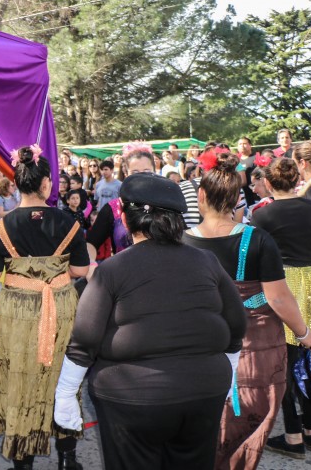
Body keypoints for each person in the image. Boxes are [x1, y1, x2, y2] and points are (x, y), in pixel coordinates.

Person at [55, 173, 247, 470]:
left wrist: (65, 393)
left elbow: (84, 340)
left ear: (124, 217)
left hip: (131, 400)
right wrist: (229, 369)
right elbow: (236, 323)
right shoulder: (207, 261)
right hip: (203, 390)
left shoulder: (112, 270)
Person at [183, 152, 311, 469]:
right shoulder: (257, 240)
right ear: (237, 198)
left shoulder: (182, 242)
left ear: (201, 195)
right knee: (247, 422)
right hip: (254, 348)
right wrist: (305, 333)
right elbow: (278, 299)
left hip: (200, 346)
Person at [0, 145, 89, 470]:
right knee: (62, 378)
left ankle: (23, 461)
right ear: (47, 184)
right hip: (61, 309)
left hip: (19, 314)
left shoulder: (1, 227)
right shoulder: (69, 222)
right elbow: (81, 271)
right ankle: (67, 456)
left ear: (15, 184)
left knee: (21, 378)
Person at [250, 158, 311, 456]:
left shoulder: (262, 215)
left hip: (283, 284)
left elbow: (254, 259)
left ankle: (293, 435)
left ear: (270, 183)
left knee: (286, 362)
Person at [85, 148, 153, 262]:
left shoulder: (167, 205)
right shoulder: (112, 208)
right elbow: (91, 243)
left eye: (147, 170)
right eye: (135, 172)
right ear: (126, 173)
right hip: (124, 275)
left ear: (155, 171)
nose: (141, 176)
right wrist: (91, 265)